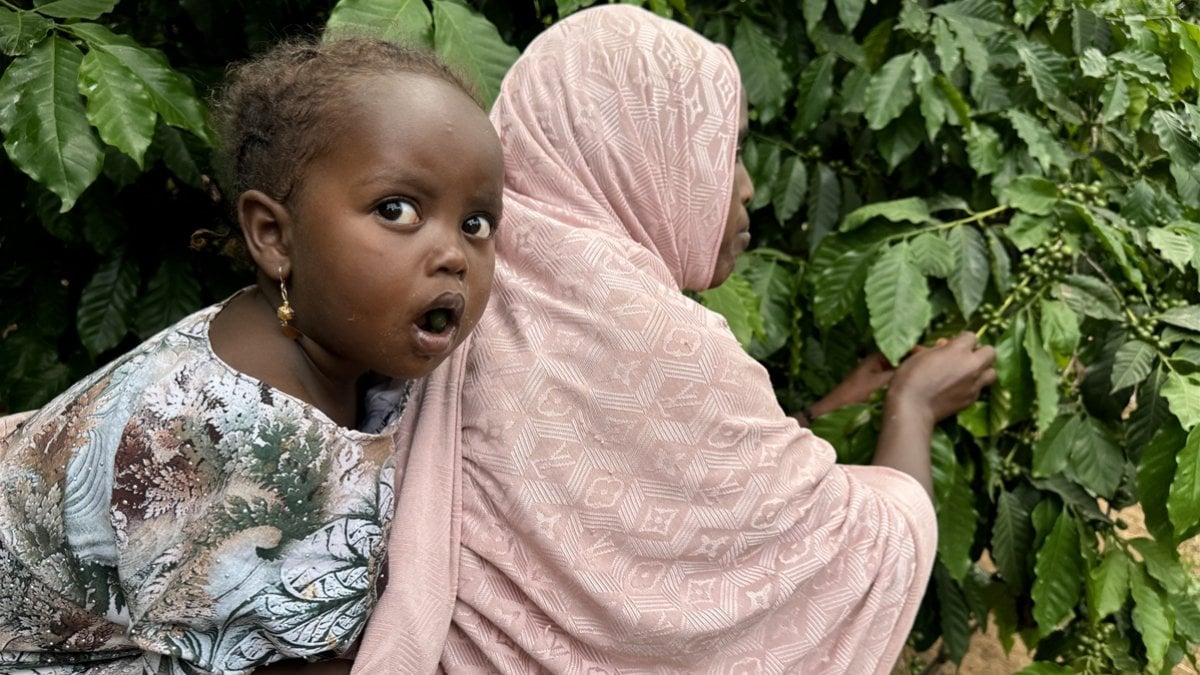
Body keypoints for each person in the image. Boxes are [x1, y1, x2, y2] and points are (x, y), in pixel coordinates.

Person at [349, 5, 996, 674]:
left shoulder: (465, 293)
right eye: (726, 149)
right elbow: (855, 553)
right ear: (642, 149)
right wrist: (914, 407)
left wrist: (821, 413)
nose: (746, 186)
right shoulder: (659, 341)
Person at [0, 36, 503, 674]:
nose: (454, 255)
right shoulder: (225, 433)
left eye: (476, 223)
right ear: (274, 236)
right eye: (396, 210)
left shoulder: (331, 346)